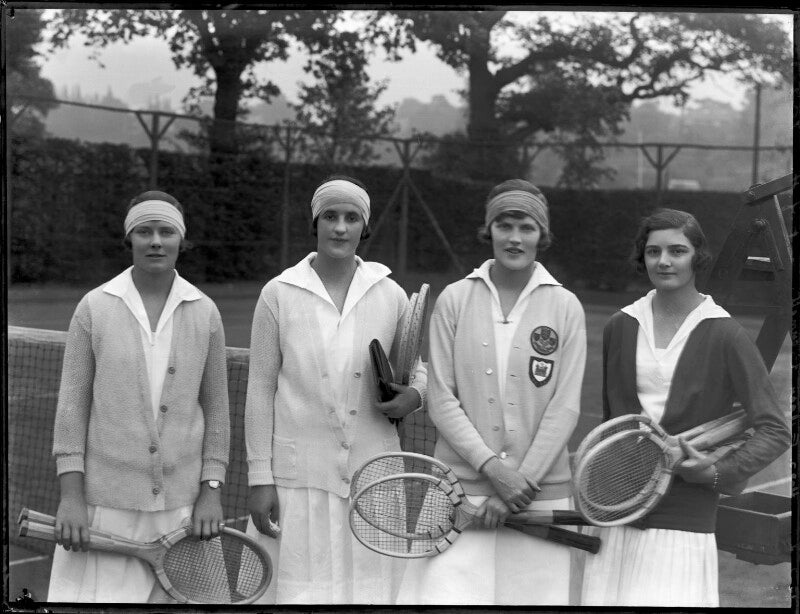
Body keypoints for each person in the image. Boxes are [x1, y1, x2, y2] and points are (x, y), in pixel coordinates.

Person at [580, 208, 790, 607]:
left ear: (697, 256)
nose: (664, 261)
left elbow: (775, 429)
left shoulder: (726, 333)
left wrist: (715, 472)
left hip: (684, 521)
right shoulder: (620, 326)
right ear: (642, 258)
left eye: (677, 250)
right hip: (617, 517)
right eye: (653, 251)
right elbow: (614, 424)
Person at [397, 179, 587, 605]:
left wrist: (521, 484)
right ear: (490, 230)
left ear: (542, 235)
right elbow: (443, 400)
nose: (515, 238)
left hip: (538, 496)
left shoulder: (566, 306)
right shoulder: (454, 299)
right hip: (456, 494)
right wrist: (497, 473)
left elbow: (565, 406)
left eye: (526, 227)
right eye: (504, 225)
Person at [245, 175, 427, 604]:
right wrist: (259, 478)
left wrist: (414, 397)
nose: (340, 228)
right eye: (330, 216)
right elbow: (259, 389)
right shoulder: (278, 293)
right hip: (298, 482)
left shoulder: (391, 294)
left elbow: (417, 371)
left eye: (351, 218)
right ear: (316, 223)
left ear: (364, 227)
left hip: (374, 480)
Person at [49, 190, 231, 603]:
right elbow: (71, 410)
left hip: (184, 510)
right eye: (144, 231)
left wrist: (212, 491)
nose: (155, 241)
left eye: (166, 231)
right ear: (129, 239)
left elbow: (218, 412)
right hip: (106, 508)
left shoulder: (204, 311)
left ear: (180, 240)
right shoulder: (94, 307)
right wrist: (71, 497)